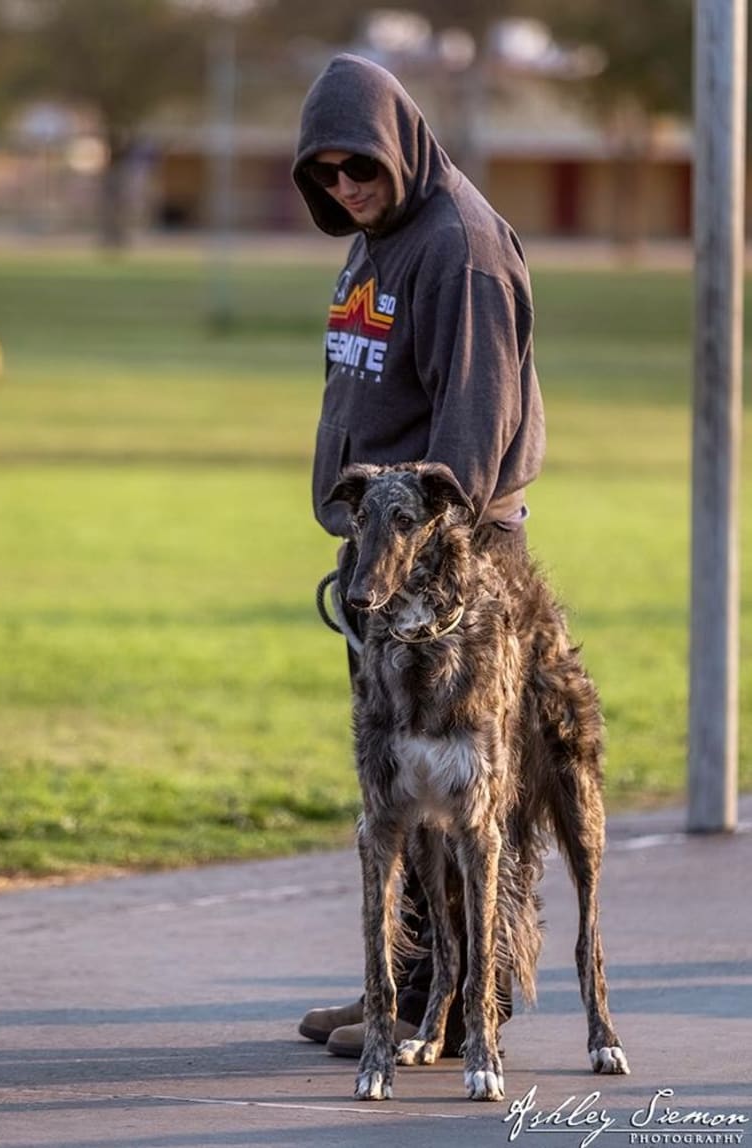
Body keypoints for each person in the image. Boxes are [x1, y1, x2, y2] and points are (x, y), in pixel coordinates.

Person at [291, 52, 545, 1058]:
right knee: (396, 786)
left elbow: (470, 447)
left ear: (400, 146)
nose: (345, 189)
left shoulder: (460, 250)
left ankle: (459, 998)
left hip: (444, 580)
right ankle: (395, 985)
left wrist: (421, 593)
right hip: (377, 568)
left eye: (359, 168)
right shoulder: (376, 239)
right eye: (324, 176)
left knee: (460, 796)